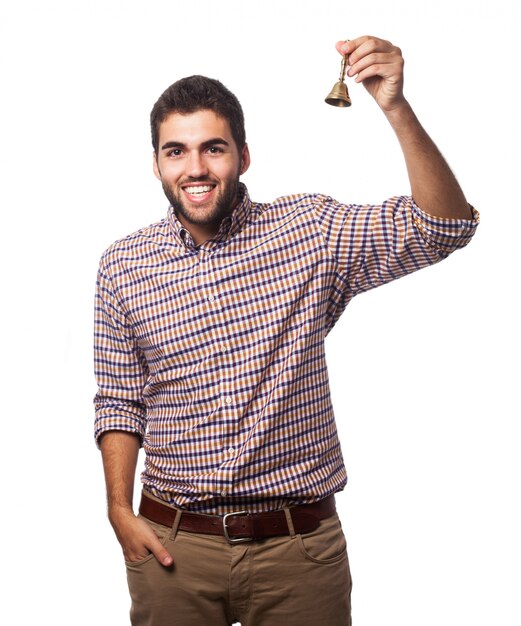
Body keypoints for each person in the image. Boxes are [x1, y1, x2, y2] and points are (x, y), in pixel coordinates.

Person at [94, 35, 479, 626]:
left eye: (213, 149)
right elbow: (119, 399)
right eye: (176, 151)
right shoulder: (124, 263)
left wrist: (395, 108)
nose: (195, 168)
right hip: (175, 547)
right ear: (156, 163)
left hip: (299, 552)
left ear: (243, 157)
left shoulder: (309, 232)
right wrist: (118, 507)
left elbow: (444, 227)